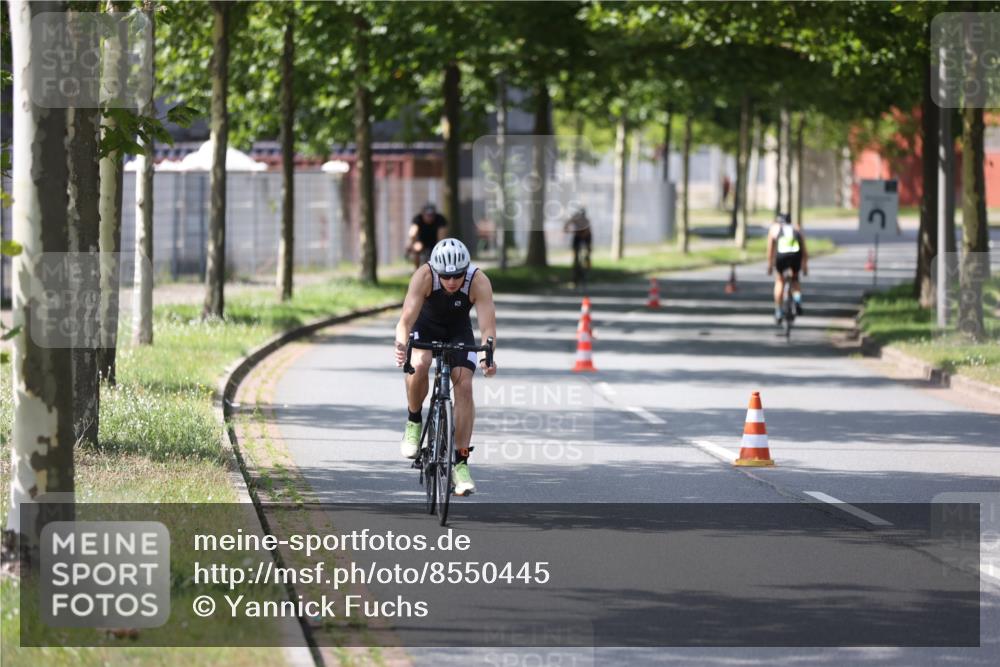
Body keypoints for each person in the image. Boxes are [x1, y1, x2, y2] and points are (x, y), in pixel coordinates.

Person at [393, 238, 498, 496]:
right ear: (437, 271)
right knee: (419, 364)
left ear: (467, 269)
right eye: (446, 276)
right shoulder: (424, 276)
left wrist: (487, 356)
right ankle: (414, 421)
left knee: (464, 385)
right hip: (425, 327)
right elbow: (405, 321)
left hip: (458, 332)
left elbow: (487, 329)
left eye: (458, 276)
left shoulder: (479, 281)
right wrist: (401, 344)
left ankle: (461, 463)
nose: (452, 282)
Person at [766, 213, 808, 323]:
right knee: (795, 280)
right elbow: (804, 249)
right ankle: (798, 301)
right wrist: (805, 266)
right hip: (795, 256)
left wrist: (770, 265)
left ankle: (778, 310)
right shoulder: (796, 228)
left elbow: (770, 250)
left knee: (780, 281)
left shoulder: (774, 228)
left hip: (781, 257)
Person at [406, 203, 448, 269]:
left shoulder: (440, 219)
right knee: (417, 248)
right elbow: (412, 233)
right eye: (427, 215)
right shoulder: (418, 219)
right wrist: (410, 244)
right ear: (423, 214)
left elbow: (442, 236)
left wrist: (439, 247)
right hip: (421, 242)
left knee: (440, 249)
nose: (429, 217)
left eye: (431, 215)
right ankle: (416, 270)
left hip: (435, 242)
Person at [563, 207, 592, 288]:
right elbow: (566, 226)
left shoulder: (586, 221)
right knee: (576, 257)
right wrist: (567, 229)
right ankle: (575, 274)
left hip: (586, 237)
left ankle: (587, 264)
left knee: (587, 253)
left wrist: (588, 248)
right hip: (578, 237)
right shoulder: (575, 218)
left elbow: (586, 232)